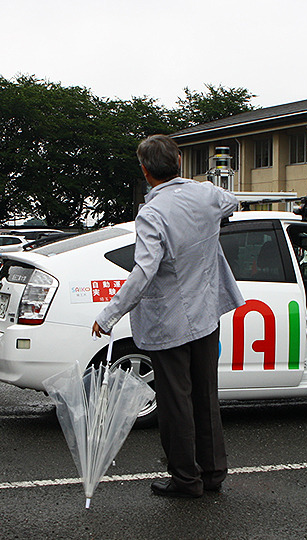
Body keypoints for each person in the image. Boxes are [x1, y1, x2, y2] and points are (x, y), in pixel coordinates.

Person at [92, 134, 243, 499]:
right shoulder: (206, 194)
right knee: (206, 396)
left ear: (145, 171)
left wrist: (110, 314)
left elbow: (144, 271)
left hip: (169, 321)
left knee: (176, 402)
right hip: (206, 313)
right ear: (178, 160)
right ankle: (213, 472)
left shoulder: (152, 214)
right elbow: (232, 200)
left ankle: (185, 479)